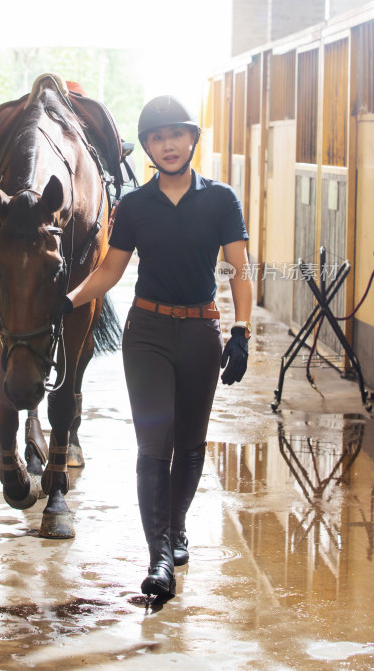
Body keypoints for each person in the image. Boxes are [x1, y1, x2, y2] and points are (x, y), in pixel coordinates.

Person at [62, 94, 253, 599]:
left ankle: (175, 527)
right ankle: (160, 558)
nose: (167, 145)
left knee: (190, 445)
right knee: (154, 447)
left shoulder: (220, 200)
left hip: (200, 336)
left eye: (176, 135)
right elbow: (110, 269)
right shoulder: (135, 206)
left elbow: (239, 270)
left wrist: (241, 331)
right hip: (146, 334)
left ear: (192, 139)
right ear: (146, 146)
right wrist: (70, 300)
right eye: (156, 137)